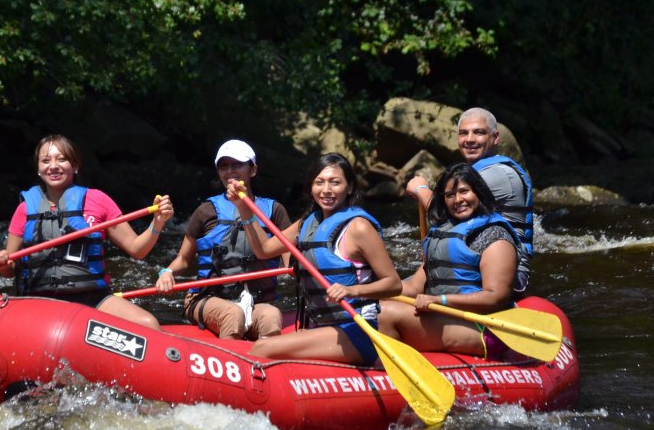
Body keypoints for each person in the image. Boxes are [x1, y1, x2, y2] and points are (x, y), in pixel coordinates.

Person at [226, 153, 402, 365]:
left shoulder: (359, 227)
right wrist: (242, 206)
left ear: (350, 187)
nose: (326, 190)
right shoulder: (307, 224)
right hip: (323, 327)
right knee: (266, 345)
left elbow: (394, 284)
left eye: (335, 183)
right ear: (311, 187)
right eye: (319, 183)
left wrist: (352, 290)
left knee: (262, 348)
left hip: (358, 331)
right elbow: (264, 250)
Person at [0, 134, 173, 331]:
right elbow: (10, 269)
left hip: (91, 299)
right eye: (46, 160)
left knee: (148, 324)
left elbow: (138, 250)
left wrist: (158, 222)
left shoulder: (97, 200)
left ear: (75, 166)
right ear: (39, 170)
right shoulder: (25, 210)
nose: (53, 166)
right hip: (37, 301)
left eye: (62, 159)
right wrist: (1, 264)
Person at [380, 163, 523, 357]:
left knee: (384, 314)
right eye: (450, 195)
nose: (458, 200)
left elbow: (495, 298)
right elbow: (414, 288)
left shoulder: (495, 236)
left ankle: (383, 371)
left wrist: (440, 300)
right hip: (446, 317)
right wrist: (366, 292)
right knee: (374, 307)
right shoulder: (444, 234)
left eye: (464, 191)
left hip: (485, 327)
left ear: (478, 193)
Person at [155, 139, 292, 339]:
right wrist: (166, 272)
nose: (229, 172)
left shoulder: (275, 212)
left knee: (271, 316)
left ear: (252, 170)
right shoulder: (206, 211)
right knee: (232, 314)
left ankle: (265, 365)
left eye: (237, 165)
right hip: (209, 298)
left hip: (258, 300)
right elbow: (184, 260)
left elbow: (291, 263)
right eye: (224, 166)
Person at [406, 107, 534, 295]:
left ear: (495, 137)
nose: (470, 139)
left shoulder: (499, 174)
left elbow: (440, 211)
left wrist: (421, 189)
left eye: (479, 132)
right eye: (464, 133)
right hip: (472, 256)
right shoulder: (472, 174)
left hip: (505, 273)